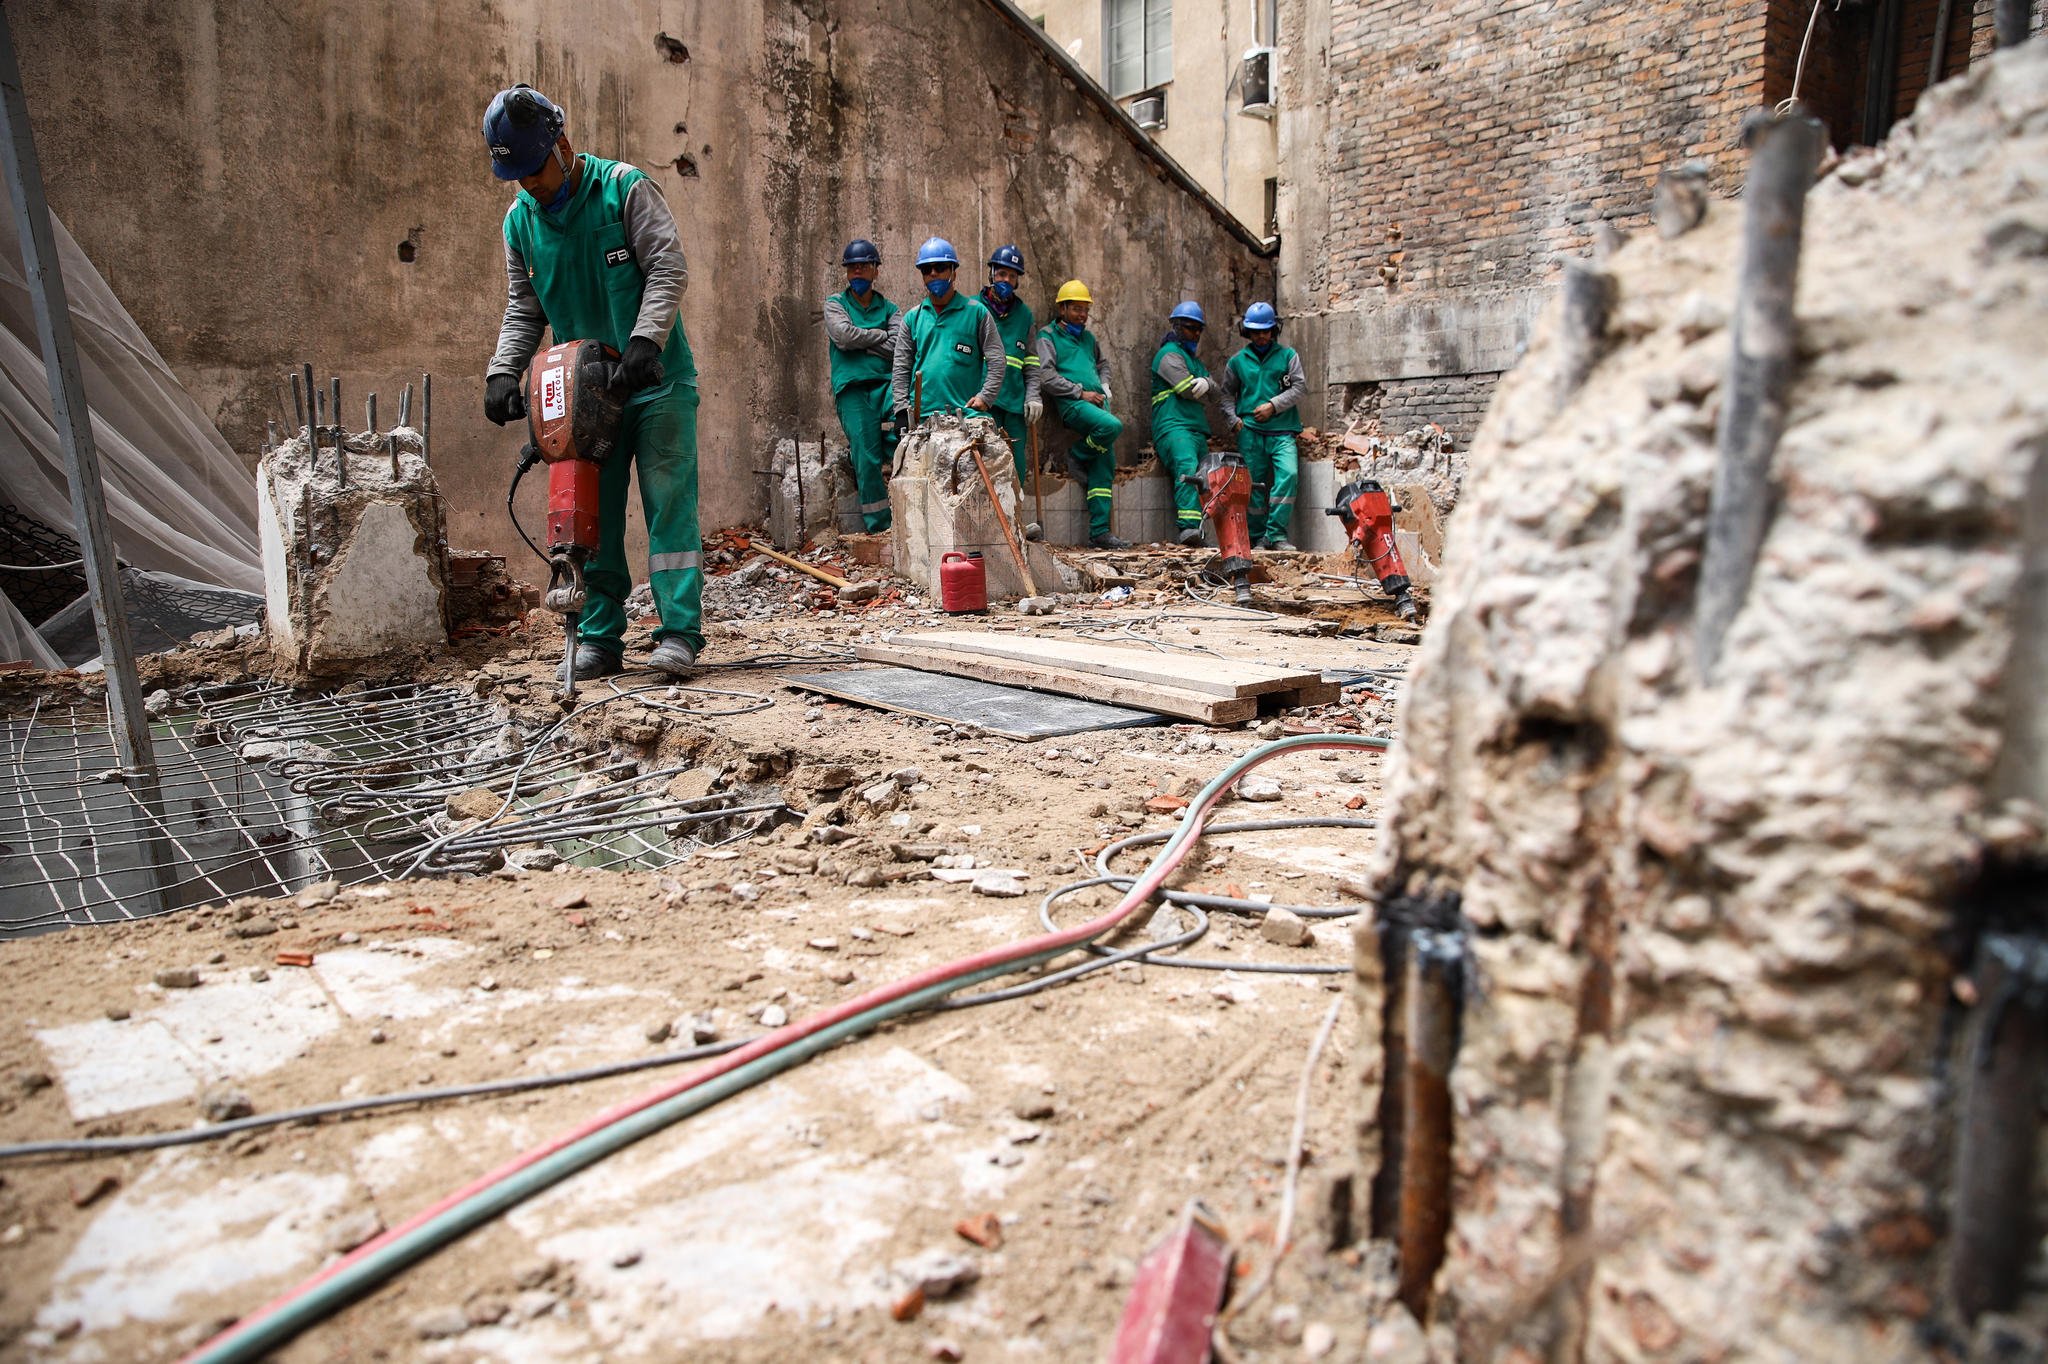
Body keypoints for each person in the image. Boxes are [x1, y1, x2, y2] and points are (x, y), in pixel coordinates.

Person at [481, 83, 703, 679]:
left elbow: (667, 266)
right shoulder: (519, 223)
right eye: (519, 176)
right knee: (591, 515)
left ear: (563, 146)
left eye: (536, 170)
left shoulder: (625, 190)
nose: (531, 184)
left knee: (668, 508)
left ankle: (679, 633)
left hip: (656, 381)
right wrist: (503, 371)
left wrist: (643, 341)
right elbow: (525, 307)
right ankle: (600, 638)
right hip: (584, 395)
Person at [1035, 280, 1127, 549]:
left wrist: (1104, 383)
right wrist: (1079, 392)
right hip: (1074, 404)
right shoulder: (1047, 336)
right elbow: (1046, 376)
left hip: (1098, 402)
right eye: (1076, 308)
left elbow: (1103, 364)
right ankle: (1077, 454)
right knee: (1112, 427)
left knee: (1104, 467)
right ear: (1062, 309)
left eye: (1085, 309)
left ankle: (1100, 532)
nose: (1082, 315)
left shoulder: (1088, 338)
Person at [824, 238, 901, 533]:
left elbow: (898, 346)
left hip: (886, 384)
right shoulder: (835, 304)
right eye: (851, 268)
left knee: (909, 432)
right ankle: (881, 527)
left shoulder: (890, 309)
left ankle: (889, 455)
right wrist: (878, 337)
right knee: (865, 458)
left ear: (875, 271)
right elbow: (842, 337)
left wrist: (862, 342)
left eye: (863, 266)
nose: (857, 272)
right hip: (852, 388)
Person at [1218, 301, 1308, 551]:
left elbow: (1299, 387)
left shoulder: (1288, 356)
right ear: (1247, 331)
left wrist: (1273, 405)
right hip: (1250, 432)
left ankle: (1276, 535)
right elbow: (1226, 396)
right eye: (1255, 331)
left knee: (1288, 475)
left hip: (1283, 431)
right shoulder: (1237, 362)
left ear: (1274, 330)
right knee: (1252, 486)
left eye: (1265, 331)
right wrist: (1233, 421)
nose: (1261, 336)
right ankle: (1258, 537)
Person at [890, 237, 1005, 429]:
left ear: (953, 272)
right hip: (922, 418)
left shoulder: (977, 313)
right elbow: (901, 366)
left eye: (940, 267)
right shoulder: (912, 318)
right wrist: (902, 410)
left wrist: (986, 397)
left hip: (965, 416)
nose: (934, 273)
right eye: (927, 270)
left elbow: (997, 359)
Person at [1149, 301, 1216, 547]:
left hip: (1195, 428)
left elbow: (1215, 389)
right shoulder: (1168, 356)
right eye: (1189, 328)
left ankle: (1198, 529)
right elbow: (1186, 389)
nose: (1195, 334)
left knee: (1205, 477)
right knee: (1187, 468)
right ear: (1176, 327)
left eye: (1198, 329)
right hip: (1174, 426)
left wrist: (1208, 383)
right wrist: (1205, 384)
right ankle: (1188, 529)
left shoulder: (1192, 360)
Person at [979, 245, 1041, 494]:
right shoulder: (974, 308)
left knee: (1016, 464)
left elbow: (1032, 361)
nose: (1006, 280)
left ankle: (1015, 522)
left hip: (1014, 404)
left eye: (1012, 276)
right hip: (982, 403)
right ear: (992, 274)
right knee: (983, 462)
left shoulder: (1025, 315)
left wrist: (1034, 395)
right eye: (1002, 274)